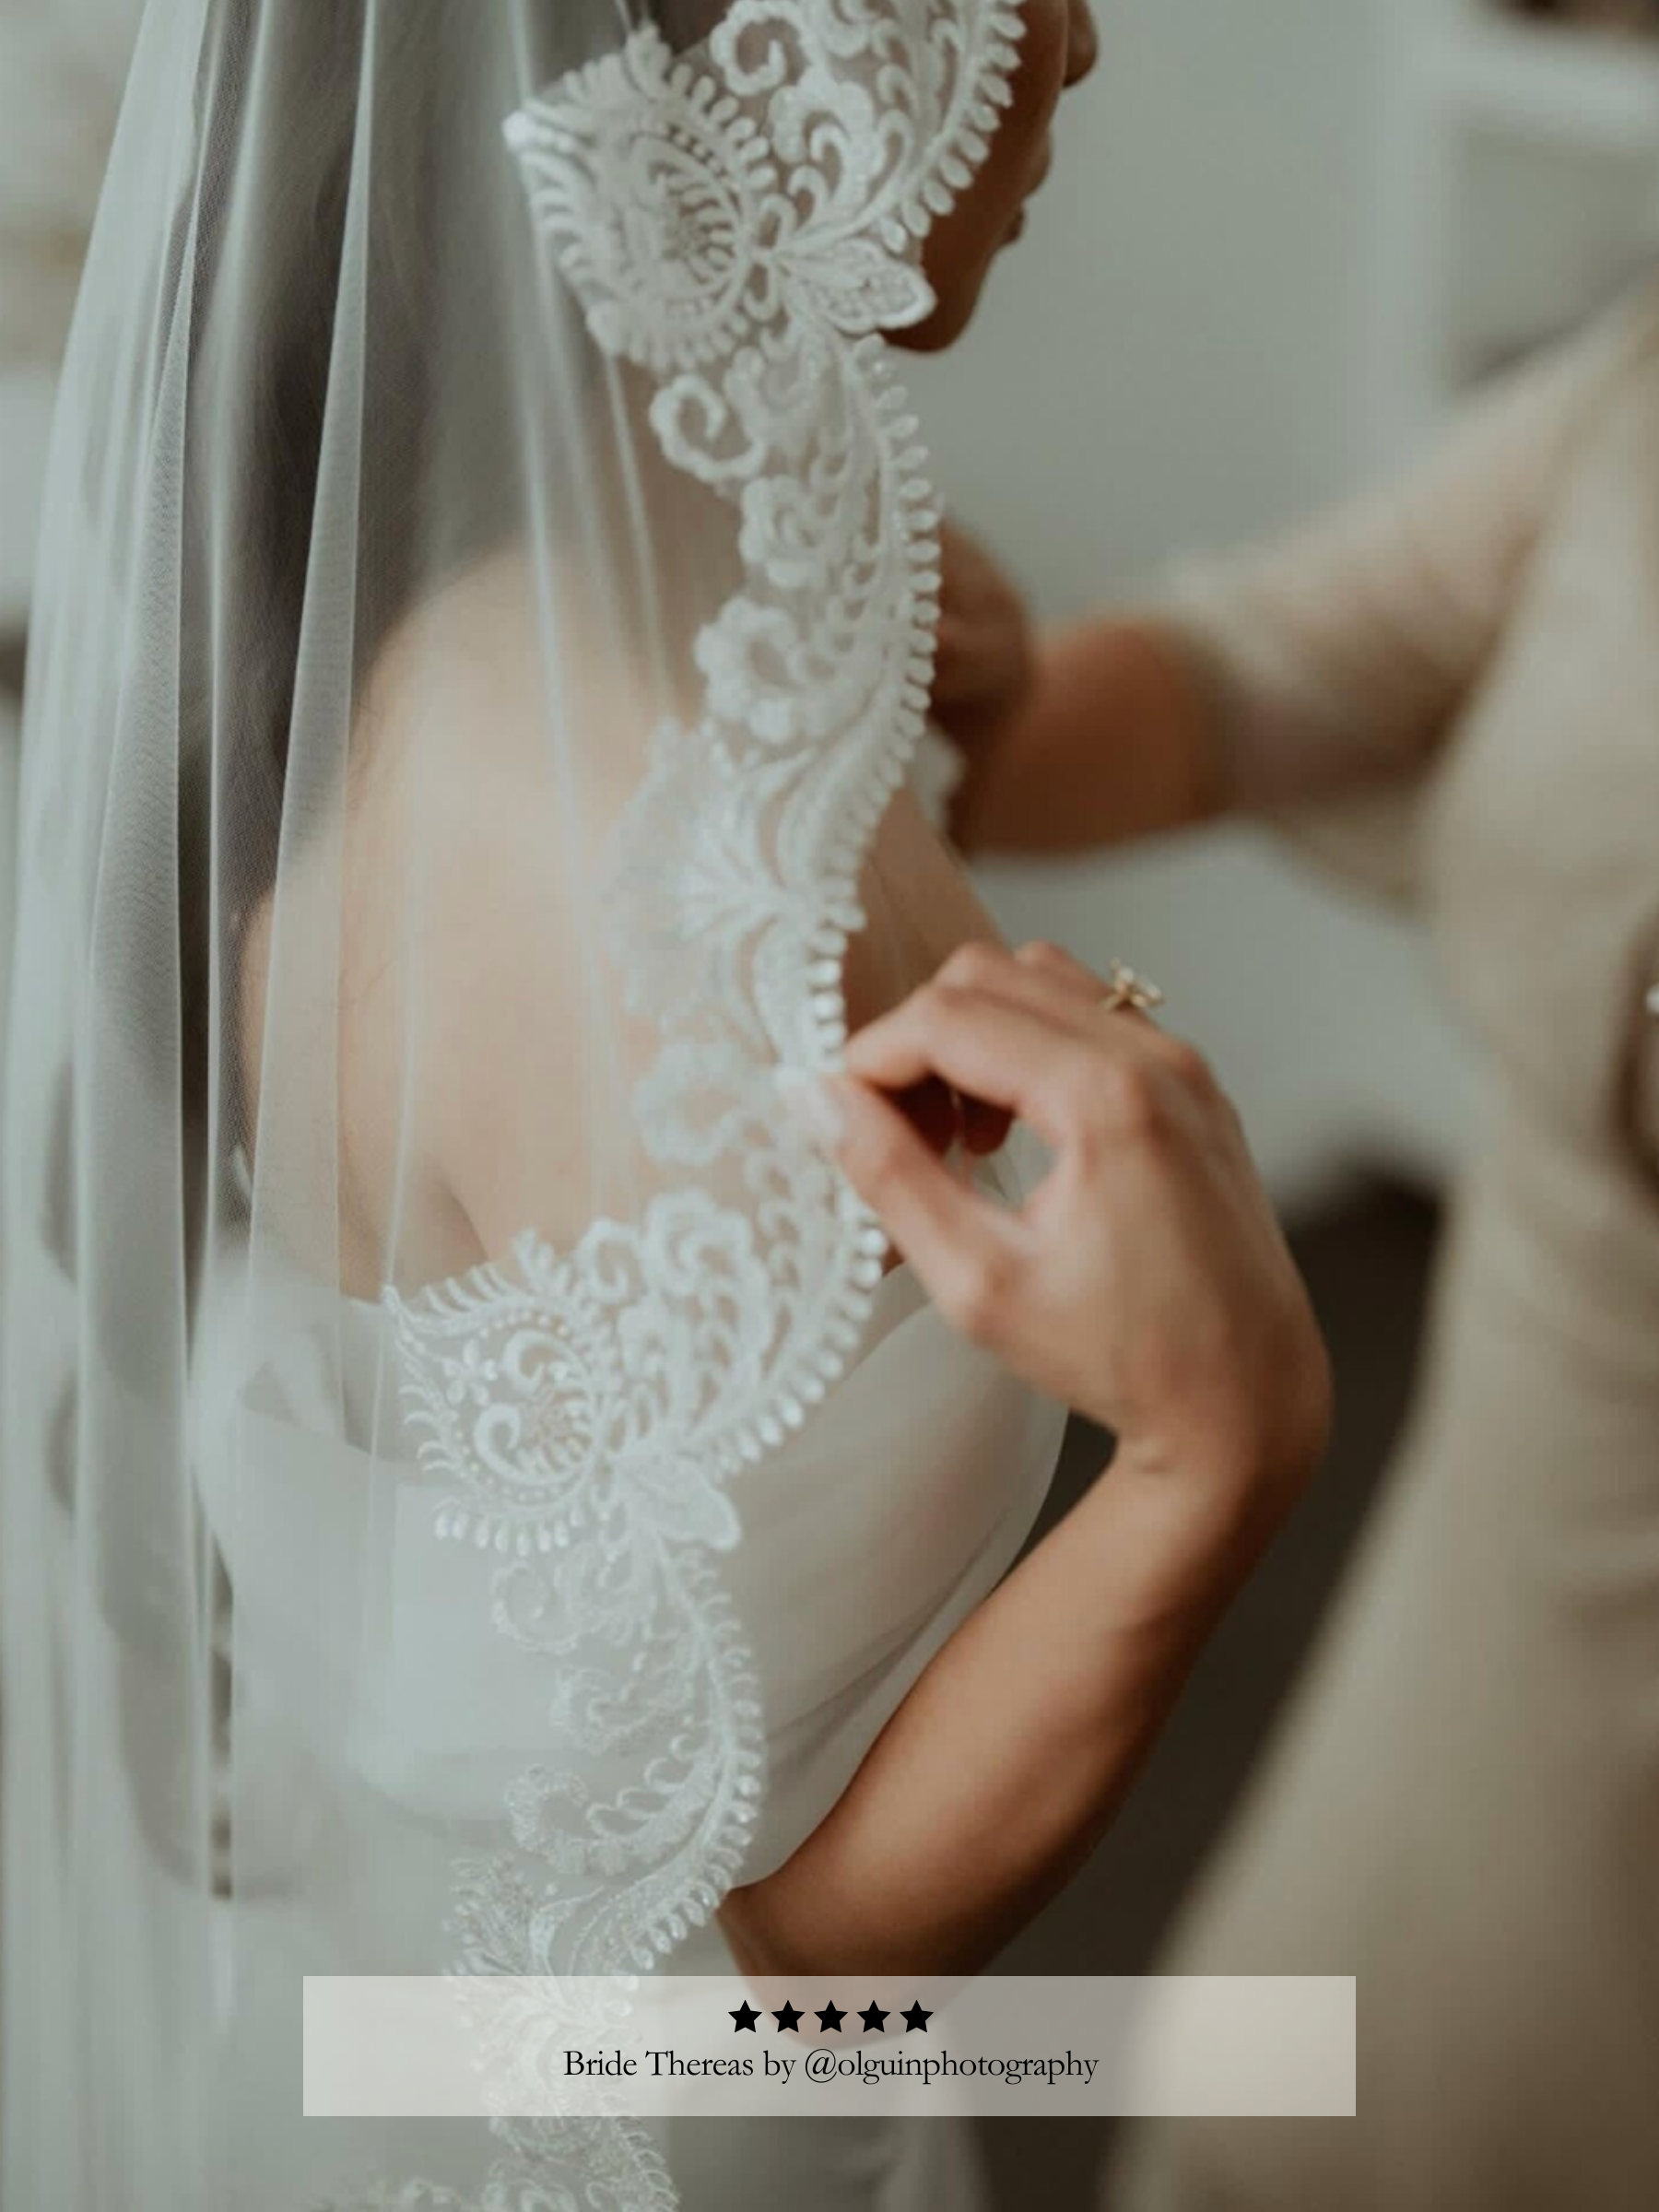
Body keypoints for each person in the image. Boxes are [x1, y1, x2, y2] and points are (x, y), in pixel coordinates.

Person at [0, 6, 1329, 2210]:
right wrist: (1215, 1458)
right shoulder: (624, 885)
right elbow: (687, 2018)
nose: (1074, 37)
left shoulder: (626, 629)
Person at [924, 279, 1659, 2209]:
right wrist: (941, 690)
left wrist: (1211, 1445)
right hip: (1519, 1572)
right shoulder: (1638, 396)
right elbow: (1249, 676)